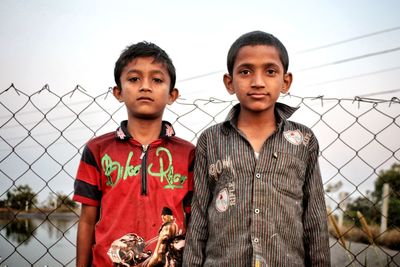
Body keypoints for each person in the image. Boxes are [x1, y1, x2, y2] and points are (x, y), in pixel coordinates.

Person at [183, 31, 330, 266]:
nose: (258, 82)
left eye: (270, 71)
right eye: (245, 71)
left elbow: (315, 218)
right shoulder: (210, 140)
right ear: (229, 82)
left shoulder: (303, 140)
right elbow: (199, 216)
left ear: (286, 81)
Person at [73, 41, 195, 267]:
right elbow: (87, 221)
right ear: (118, 92)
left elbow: (196, 222)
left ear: (172, 94)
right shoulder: (97, 150)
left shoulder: (189, 154)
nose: (145, 86)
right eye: (134, 79)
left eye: (157, 80)